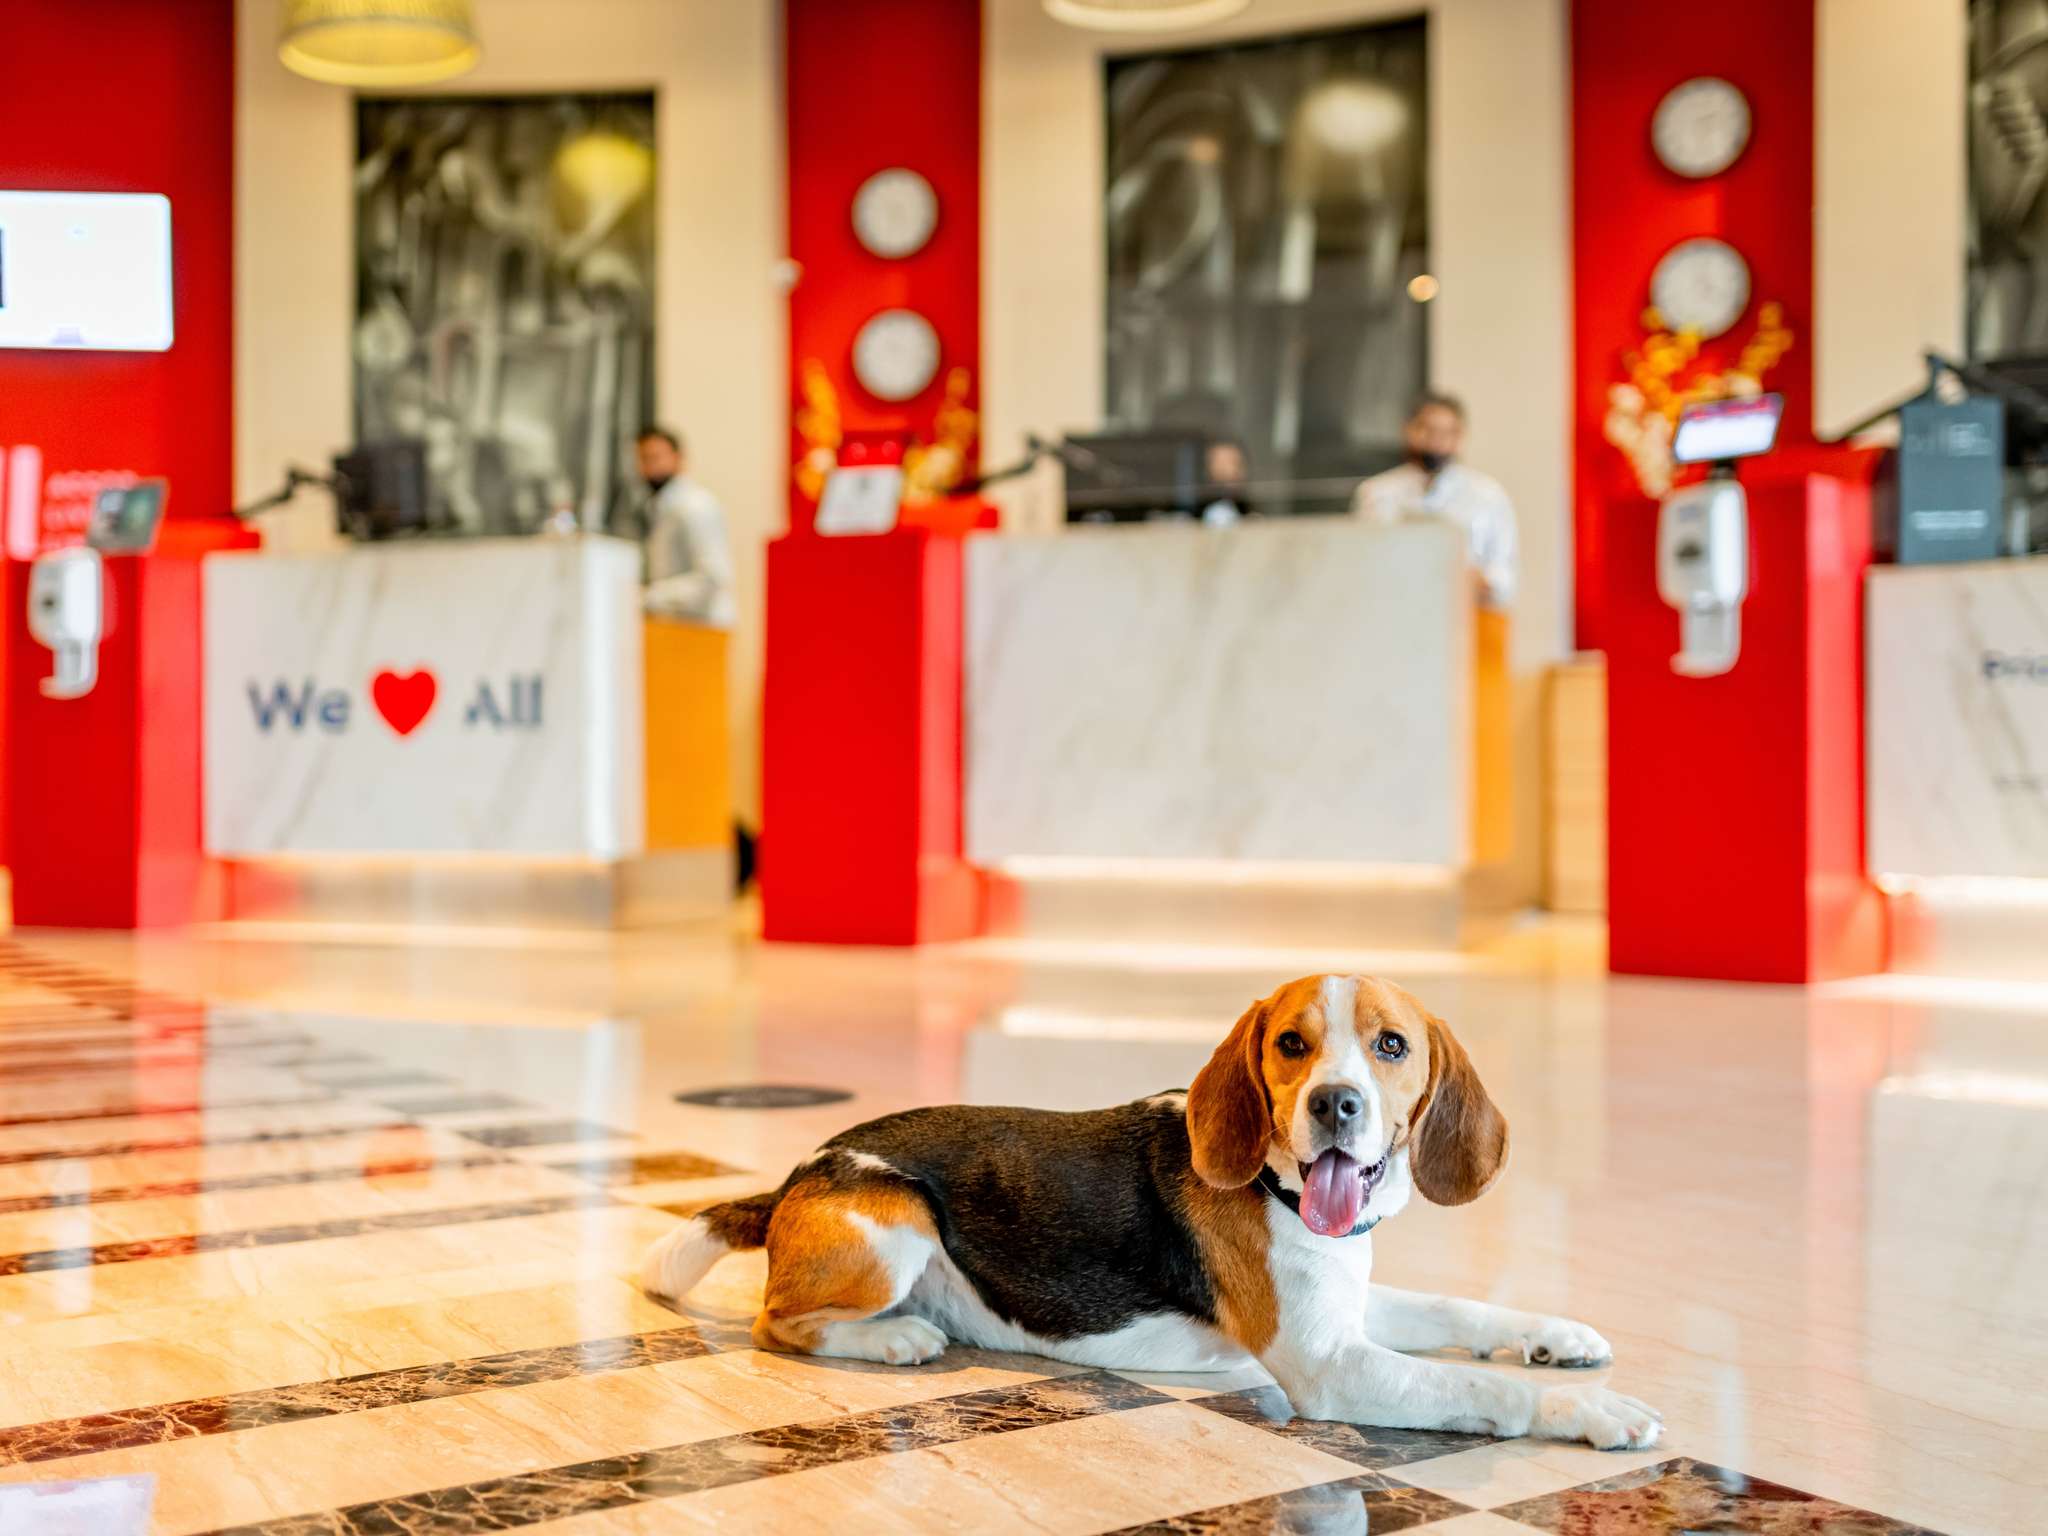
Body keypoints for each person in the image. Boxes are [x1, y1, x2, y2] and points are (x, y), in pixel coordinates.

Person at [1350, 392, 1516, 610]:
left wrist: (1479, 579)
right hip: (1394, 611)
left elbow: (1505, 575)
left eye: (1447, 432)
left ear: (1460, 436)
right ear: (1408, 430)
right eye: (1427, 429)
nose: (1436, 440)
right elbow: (1360, 564)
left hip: (1465, 616)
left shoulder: (1488, 495)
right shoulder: (1375, 492)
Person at [632, 426, 736, 628]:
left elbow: (712, 577)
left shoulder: (696, 506)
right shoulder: (657, 507)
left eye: (655, 458)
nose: (649, 467)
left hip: (701, 627)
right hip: (673, 627)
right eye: (643, 459)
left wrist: (649, 597)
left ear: (677, 458)